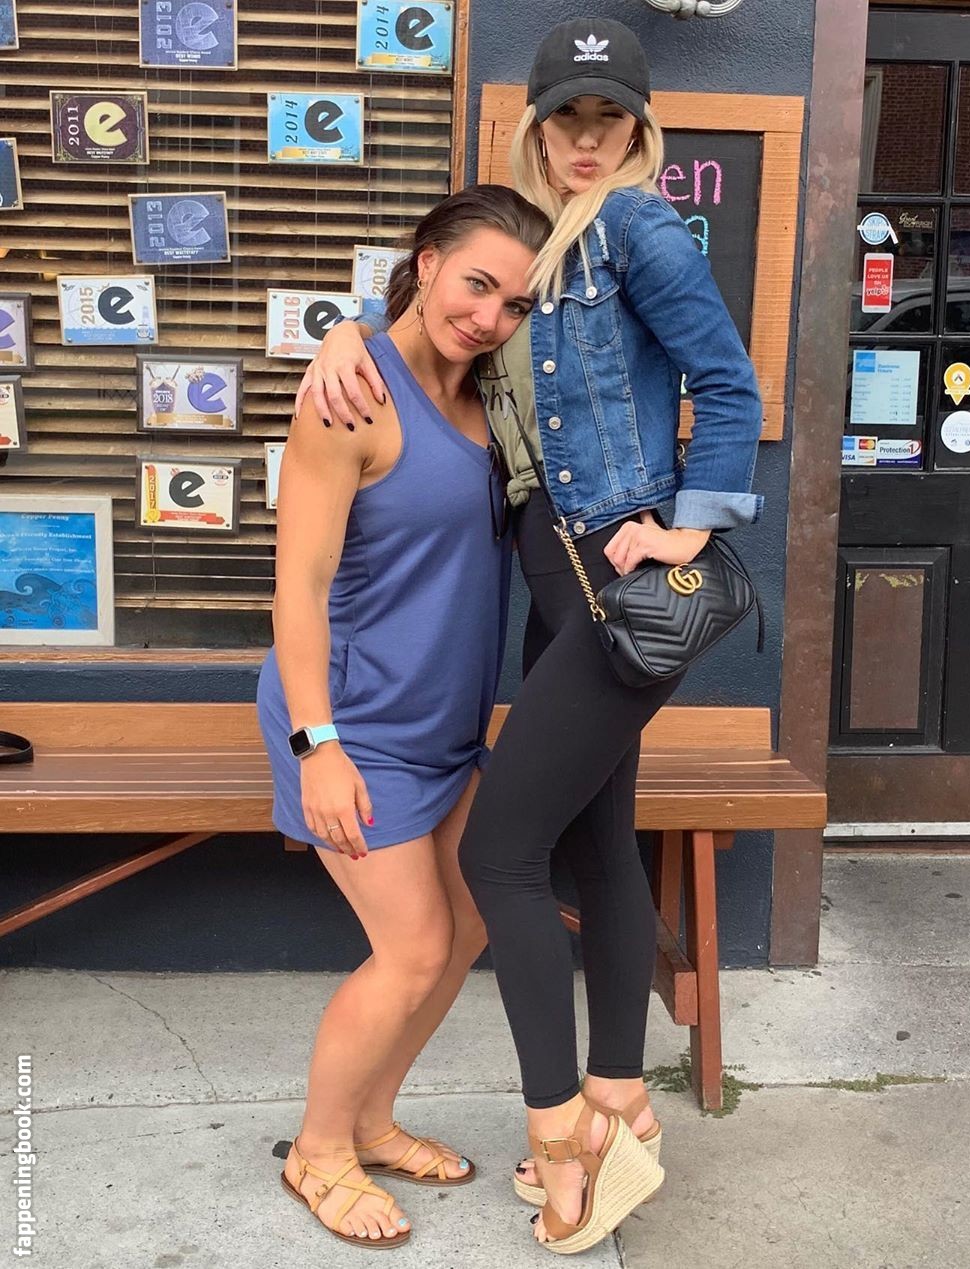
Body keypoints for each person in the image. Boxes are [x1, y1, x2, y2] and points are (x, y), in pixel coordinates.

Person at [296, 15, 763, 1255]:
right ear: (537, 126)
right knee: (599, 841)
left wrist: (691, 525)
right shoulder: (531, 246)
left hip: (617, 577)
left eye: (612, 120)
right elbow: (442, 308)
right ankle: (620, 1102)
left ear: (642, 131)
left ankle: (560, 1132)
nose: (588, 141)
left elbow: (728, 382)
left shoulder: (637, 229)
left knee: (505, 851)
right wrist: (347, 329)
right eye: (569, 118)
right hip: (557, 585)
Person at [259, 184, 551, 1249]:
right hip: (354, 723)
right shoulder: (351, 396)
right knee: (416, 948)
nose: (489, 316)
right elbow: (298, 588)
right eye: (476, 283)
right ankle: (317, 1149)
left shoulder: (495, 394)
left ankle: (373, 1122)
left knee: (467, 926)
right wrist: (317, 748)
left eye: (515, 304)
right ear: (426, 263)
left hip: (446, 726)